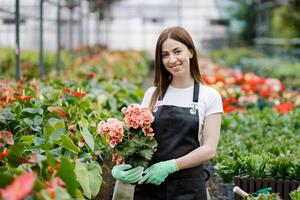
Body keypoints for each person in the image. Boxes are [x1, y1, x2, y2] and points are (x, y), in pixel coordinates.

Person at [112, 26, 223, 200]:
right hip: (150, 185)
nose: (172, 59)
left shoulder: (209, 96)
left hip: (189, 188)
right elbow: (138, 141)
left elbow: (209, 150)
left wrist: (171, 166)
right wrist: (121, 164)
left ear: (191, 52)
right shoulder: (153, 94)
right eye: (165, 55)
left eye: (177, 51)